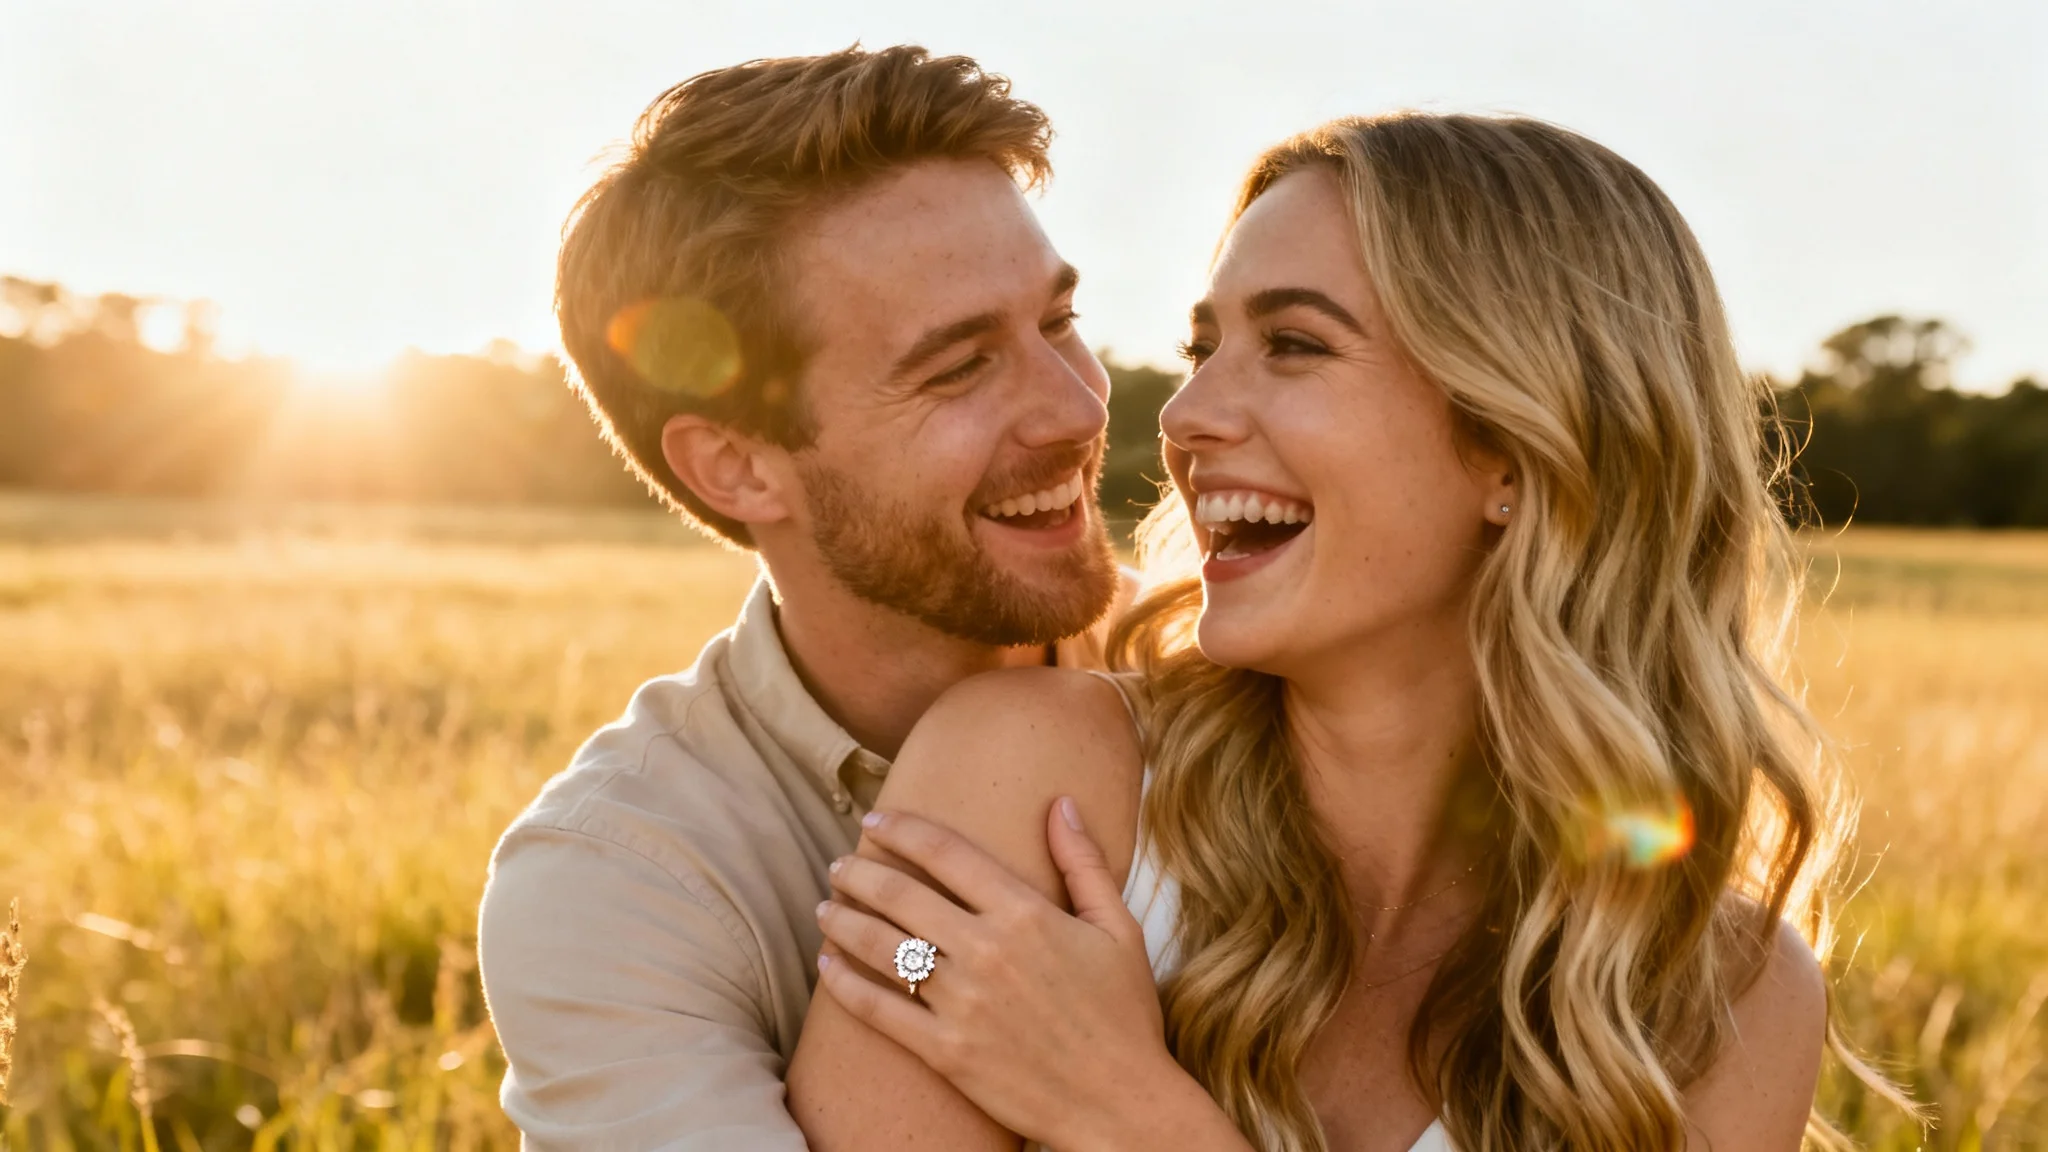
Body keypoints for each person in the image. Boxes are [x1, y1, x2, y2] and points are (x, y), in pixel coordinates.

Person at [788, 113, 1868, 1151]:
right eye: (1203, 345)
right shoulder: (1041, 779)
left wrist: (1127, 1113)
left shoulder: (1720, 996)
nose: (1182, 414)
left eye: (1294, 345)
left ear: (1516, 445)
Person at [476, 46, 1133, 1149]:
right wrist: (955, 988)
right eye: (959, 367)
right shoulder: (616, 883)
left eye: (1058, 322)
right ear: (735, 466)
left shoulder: (1252, 679)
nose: (1073, 410)